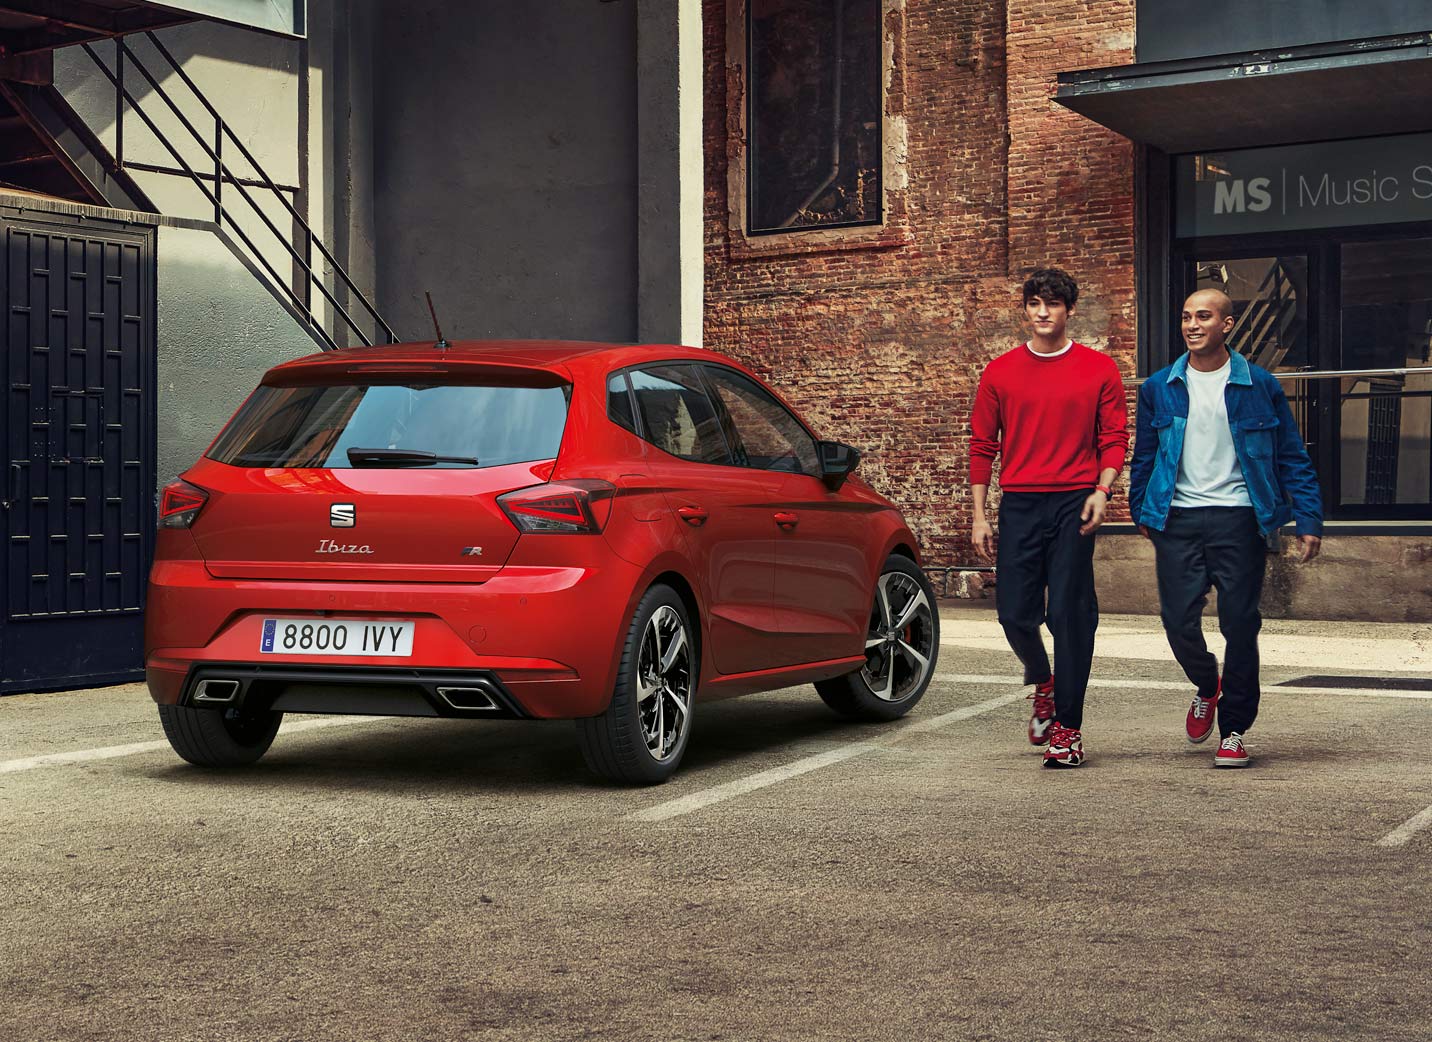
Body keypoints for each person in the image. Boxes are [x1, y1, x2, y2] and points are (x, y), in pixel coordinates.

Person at [1128, 288, 1323, 768]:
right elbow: (1146, 457)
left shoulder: (1259, 384)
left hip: (1240, 518)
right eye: (1186, 317)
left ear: (1227, 324)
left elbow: (1292, 456)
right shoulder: (1159, 386)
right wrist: (1141, 509)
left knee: (1240, 625)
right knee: (1177, 621)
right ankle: (1205, 682)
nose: (1192, 325)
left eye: (1204, 317)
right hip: (1178, 518)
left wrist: (1309, 518)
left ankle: (1234, 730)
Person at [970, 268, 1129, 768]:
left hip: (1075, 501)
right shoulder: (999, 372)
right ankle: (1043, 677)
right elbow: (982, 446)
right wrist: (979, 514)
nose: (1043, 312)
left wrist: (1103, 491)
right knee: (1013, 613)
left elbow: (1114, 438)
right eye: (1035, 303)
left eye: (1053, 304)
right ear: (1025, 309)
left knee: (1068, 614)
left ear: (1069, 311)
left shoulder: (1099, 370)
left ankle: (1068, 729)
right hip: (1018, 502)